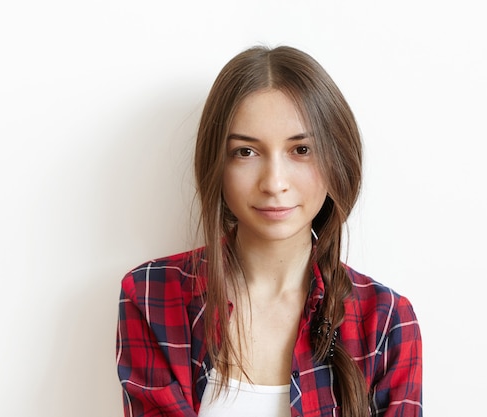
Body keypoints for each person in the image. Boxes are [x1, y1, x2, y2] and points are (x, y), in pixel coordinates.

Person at [116, 45, 422, 417]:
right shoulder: (151, 295)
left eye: (301, 149)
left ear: (336, 159)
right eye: (246, 152)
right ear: (217, 163)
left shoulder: (386, 320)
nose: (274, 182)